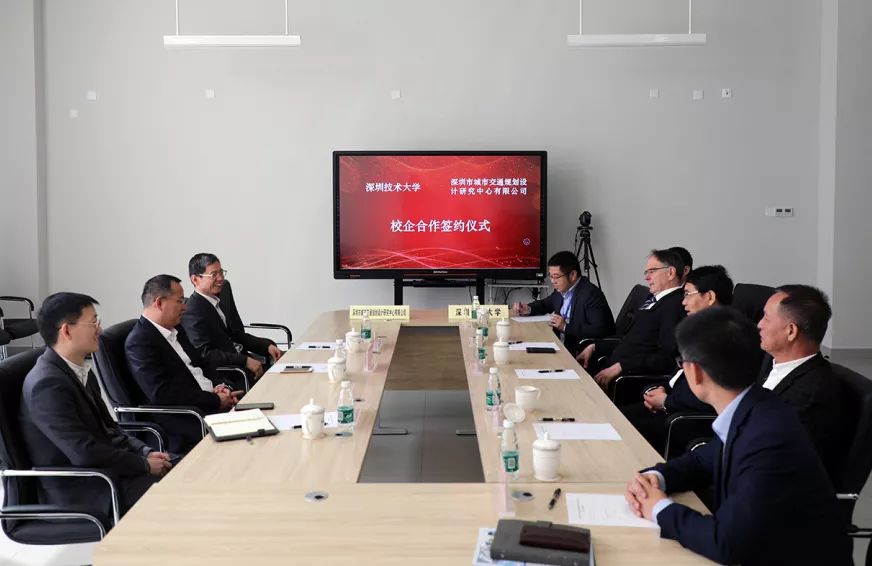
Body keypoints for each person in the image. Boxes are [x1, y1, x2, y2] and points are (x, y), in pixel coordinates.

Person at [625, 307, 851, 566]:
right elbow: (702, 460)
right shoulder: (754, 405)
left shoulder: (768, 437)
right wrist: (657, 477)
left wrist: (658, 508)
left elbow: (726, 543)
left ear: (694, 372)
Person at [19, 292, 171, 519]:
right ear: (67, 330)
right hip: (82, 487)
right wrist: (142, 465)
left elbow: (110, 428)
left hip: (105, 472)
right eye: (93, 322)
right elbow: (83, 453)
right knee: (176, 493)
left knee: (184, 470)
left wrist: (145, 451)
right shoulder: (47, 385)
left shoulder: (80, 370)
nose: (99, 329)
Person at [619, 265, 730, 451]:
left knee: (617, 426)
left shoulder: (725, 338)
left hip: (684, 422)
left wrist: (666, 402)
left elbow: (712, 396)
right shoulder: (702, 330)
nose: (683, 302)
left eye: (687, 294)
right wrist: (662, 388)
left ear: (710, 297)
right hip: (671, 407)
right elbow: (682, 375)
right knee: (611, 415)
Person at [125, 275, 240, 454]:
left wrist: (220, 385)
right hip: (188, 419)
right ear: (159, 302)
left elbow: (202, 364)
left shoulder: (176, 328)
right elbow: (163, 394)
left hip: (210, 404)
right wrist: (215, 400)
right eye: (179, 301)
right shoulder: (140, 342)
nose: (185, 307)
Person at [757, 284, 846, 480]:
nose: (759, 324)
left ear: (791, 331)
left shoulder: (812, 395)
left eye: (766, 318)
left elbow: (773, 463)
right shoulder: (772, 364)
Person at [577, 249, 686, 389]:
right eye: (646, 272)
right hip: (609, 367)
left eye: (652, 271)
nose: (647, 278)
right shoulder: (656, 300)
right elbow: (630, 339)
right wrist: (594, 347)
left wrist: (622, 366)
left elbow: (666, 358)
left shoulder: (674, 306)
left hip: (628, 380)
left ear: (670, 272)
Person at [181, 253, 282, 382]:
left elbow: (235, 335)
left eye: (221, 272)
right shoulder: (192, 311)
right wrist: (244, 360)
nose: (220, 278)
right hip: (230, 375)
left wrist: (266, 346)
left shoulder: (218, 298)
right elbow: (205, 354)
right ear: (195, 279)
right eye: (214, 274)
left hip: (246, 366)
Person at [512, 251, 614, 355]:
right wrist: (528, 308)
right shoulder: (562, 289)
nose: (553, 281)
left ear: (572, 275)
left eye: (556, 277)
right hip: (559, 345)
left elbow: (600, 330)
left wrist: (565, 327)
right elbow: (546, 304)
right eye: (551, 276)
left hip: (580, 352)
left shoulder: (591, 294)